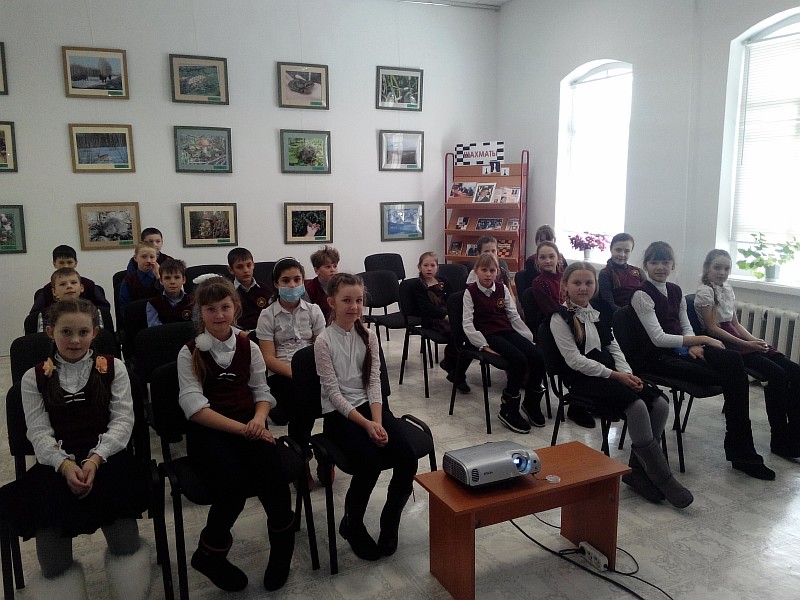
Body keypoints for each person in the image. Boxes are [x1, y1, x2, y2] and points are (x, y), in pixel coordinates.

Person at [0, 299, 151, 599]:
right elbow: (38, 432)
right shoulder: (33, 378)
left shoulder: (114, 368)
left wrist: (94, 460)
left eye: (83, 332)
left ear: (95, 332)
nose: (75, 340)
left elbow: (123, 422)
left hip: (107, 459)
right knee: (52, 555)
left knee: (125, 543)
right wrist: (66, 465)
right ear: (50, 332)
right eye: (66, 332)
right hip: (57, 465)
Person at [177, 277, 295, 592]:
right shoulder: (189, 352)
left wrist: (259, 419)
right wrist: (246, 429)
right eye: (211, 309)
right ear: (200, 313)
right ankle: (209, 555)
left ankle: (282, 552)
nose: (219, 315)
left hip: (249, 424)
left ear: (235, 308)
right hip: (209, 431)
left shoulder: (249, 346)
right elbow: (195, 408)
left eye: (225, 307)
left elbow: (261, 391)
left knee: (274, 478)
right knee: (232, 486)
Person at [550, 263, 693, 507]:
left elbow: (614, 347)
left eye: (588, 283)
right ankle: (663, 477)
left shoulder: (598, 313)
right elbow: (575, 360)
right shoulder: (558, 318)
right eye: (577, 283)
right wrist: (616, 376)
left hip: (613, 374)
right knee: (637, 406)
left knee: (659, 403)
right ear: (565, 286)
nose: (583, 288)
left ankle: (638, 472)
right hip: (583, 380)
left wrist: (626, 373)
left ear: (595, 286)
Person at [630, 241, 775, 480]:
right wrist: (700, 340)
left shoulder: (675, 290)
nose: (660, 267)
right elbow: (658, 338)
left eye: (665, 262)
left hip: (682, 350)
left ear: (673, 265)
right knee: (732, 377)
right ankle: (741, 451)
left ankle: (741, 448)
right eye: (654, 262)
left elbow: (685, 325)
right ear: (645, 265)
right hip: (657, 358)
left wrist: (694, 344)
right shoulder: (641, 295)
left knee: (733, 361)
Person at [314, 273, 418, 561]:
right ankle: (353, 524)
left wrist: (378, 421)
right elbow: (333, 393)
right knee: (369, 463)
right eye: (347, 300)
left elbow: (373, 383)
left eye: (359, 300)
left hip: (370, 409)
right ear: (332, 302)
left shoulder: (369, 336)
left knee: (407, 457)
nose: (354, 307)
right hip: (340, 415)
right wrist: (367, 424)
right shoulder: (323, 341)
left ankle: (390, 520)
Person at [694, 249, 800, 459]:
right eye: (717, 267)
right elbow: (713, 329)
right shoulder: (705, 292)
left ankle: (794, 434)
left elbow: (735, 323)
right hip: (723, 343)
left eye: (726, 268)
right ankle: (779, 439)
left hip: (736, 337)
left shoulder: (727, 289)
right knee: (777, 375)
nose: (722, 272)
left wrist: (754, 341)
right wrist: (746, 344)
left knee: (795, 372)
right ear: (707, 268)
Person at [256, 257, 325, 483]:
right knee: (301, 407)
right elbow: (268, 358)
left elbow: (322, 348)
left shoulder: (314, 311)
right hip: (282, 375)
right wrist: (297, 374)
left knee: (335, 400)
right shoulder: (267, 315)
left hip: (313, 371)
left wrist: (312, 374)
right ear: (276, 284)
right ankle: (301, 458)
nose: (292, 285)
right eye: (286, 280)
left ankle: (327, 454)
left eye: (297, 279)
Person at [463, 253, 547, 431]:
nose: (488, 274)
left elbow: (513, 315)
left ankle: (531, 403)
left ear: (497, 272)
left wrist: (527, 337)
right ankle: (508, 408)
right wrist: (482, 345)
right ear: (476, 271)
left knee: (538, 357)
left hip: (507, 331)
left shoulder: (502, 289)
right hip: (489, 335)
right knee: (518, 360)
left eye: (492, 270)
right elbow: (467, 323)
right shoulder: (470, 292)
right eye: (484, 270)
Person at [412, 251, 471, 393]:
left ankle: (452, 366)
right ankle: (457, 374)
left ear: (437, 267)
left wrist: (453, 314)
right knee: (455, 333)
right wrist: (444, 315)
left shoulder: (443, 281)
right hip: (432, 319)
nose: (429, 268)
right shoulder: (418, 285)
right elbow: (426, 308)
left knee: (468, 334)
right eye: (425, 265)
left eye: (432, 265)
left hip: (448, 316)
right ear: (419, 267)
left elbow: (452, 299)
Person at [29, 244, 109, 314]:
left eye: (69, 262)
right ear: (54, 264)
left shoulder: (89, 285)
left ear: (76, 263)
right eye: (61, 263)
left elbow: (104, 309)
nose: (66, 266)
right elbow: (34, 315)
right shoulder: (47, 289)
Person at [33, 268, 108, 332]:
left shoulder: (94, 312)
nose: (69, 286)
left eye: (73, 283)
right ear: (54, 292)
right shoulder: (45, 315)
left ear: (81, 288)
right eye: (63, 284)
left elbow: (100, 339)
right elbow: (43, 342)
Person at [227, 247, 272, 331]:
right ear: (231, 270)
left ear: (253, 265)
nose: (246, 270)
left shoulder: (265, 289)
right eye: (240, 267)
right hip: (239, 333)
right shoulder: (228, 292)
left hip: (263, 332)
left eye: (249, 265)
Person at [598, 232, 645, 311]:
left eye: (627, 251)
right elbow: (609, 304)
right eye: (618, 250)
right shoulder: (605, 273)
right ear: (611, 249)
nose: (622, 255)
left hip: (642, 312)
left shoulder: (638, 272)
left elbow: (648, 295)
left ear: (631, 251)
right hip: (618, 315)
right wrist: (628, 314)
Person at [146, 258, 193, 326]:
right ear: (161, 281)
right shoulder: (153, 304)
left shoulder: (193, 302)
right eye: (167, 278)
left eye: (177, 277)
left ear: (183, 280)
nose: (172, 282)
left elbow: (196, 326)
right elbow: (155, 329)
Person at [118, 242, 161, 311]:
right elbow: (124, 306)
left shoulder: (161, 277)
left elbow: (169, 298)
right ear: (135, 258)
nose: (148, 260)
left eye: (152, 257)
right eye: (144, 257)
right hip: (135, 315)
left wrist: (158, 277)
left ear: (156, 258)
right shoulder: (128, 280)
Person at [305, 245, 340, 321]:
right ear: (316, 270)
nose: (333, 270)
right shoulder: (309, 289)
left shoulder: (342, 286)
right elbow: (307, 315)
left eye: (335, 266)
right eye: (328, 267)